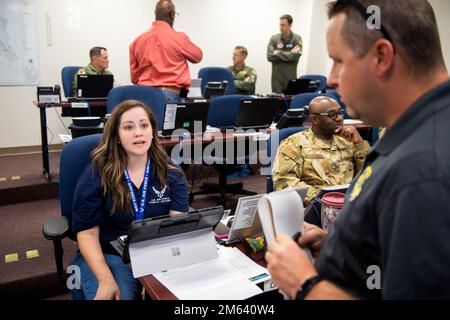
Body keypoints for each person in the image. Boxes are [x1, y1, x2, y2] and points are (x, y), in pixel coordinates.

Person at [266, 0, 450, 300]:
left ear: (381, 57)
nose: (332, 78)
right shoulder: (421, 132)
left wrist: (304, 284)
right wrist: (338, 244)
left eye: (338, 60)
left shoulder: (423, 170)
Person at [70, 100, 189, 300]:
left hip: (155, 253)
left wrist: (153, 272)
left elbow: (175, 228)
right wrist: (105, 279)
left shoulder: (172, 172)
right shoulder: (96, 173)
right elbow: (88, 234)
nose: (138, 132)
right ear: (116, 136)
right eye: (128, 127)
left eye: (144, 125)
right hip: (109, 255)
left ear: (153, 131)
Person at [272, 96, 369, 205]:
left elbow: (370, 174)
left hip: (351, 204)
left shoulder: (348, 140)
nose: (339, 118)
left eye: (340, 112)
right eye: (332, 114)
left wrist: (359, 144)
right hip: (316, 206)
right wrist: (325, 198)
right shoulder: (293, 144)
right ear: (314, 119)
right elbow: (284, 182)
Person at [129, 0, 202, 103]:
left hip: (144, 95)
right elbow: (198, 56)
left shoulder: (136, 42)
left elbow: (134, 78)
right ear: (171, 15)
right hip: (172, 94)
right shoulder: (179, 38)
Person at [267, 14, 303, 93]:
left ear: (290, 25)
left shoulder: (296, 38)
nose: (280, 28)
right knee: (277, 103)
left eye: (283, 25)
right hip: (277, 79)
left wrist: (278, 53)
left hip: (290, 78)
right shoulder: (274, 39)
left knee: (290, 103)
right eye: (280, 25)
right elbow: (269, 56)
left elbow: (295, 56)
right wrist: (288, 54)